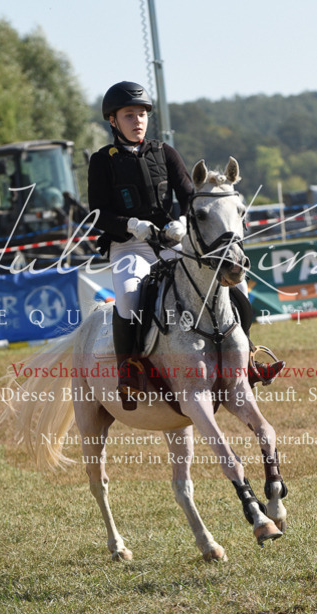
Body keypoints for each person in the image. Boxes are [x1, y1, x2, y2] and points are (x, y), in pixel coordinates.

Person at [87, 80, 283, 409]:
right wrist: (132, 225)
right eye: (129, 115)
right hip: (129, 246)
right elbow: (97, 214)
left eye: (142, 114)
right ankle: (129, 370)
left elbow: (191, 197)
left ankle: (248, 356)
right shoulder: (102, 160)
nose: (137, 121)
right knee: (129, 294)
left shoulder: (165, 152)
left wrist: (179, 221)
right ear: (113, 120)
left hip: (171, 240)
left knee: (235, 283)